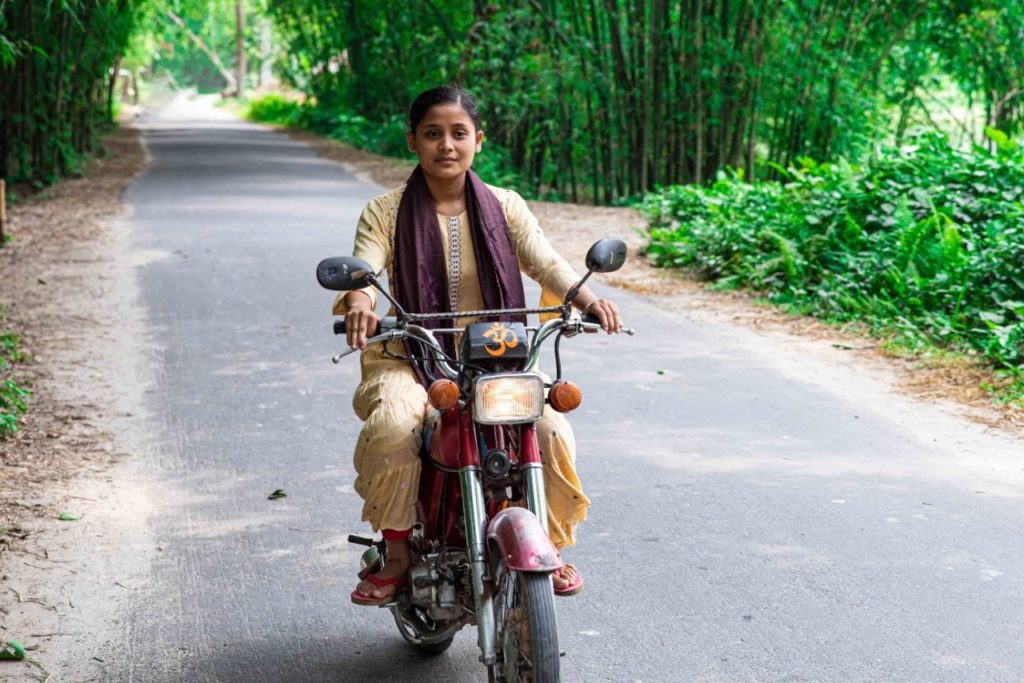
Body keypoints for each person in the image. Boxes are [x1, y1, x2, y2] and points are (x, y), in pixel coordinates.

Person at [337, 85, 622, 606]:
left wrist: (587, 299)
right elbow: (364, 263)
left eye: (458, 133)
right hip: (410, 353)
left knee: (551, 427)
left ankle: (550, 544)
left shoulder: (506, 206)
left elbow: (546, 262)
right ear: (412, 142)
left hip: (496, 357)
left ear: (477, 141)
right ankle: (397, 554)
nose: (446, 144)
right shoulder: (385, 210)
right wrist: (359, 299)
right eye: (432, 134)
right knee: (396, 424)